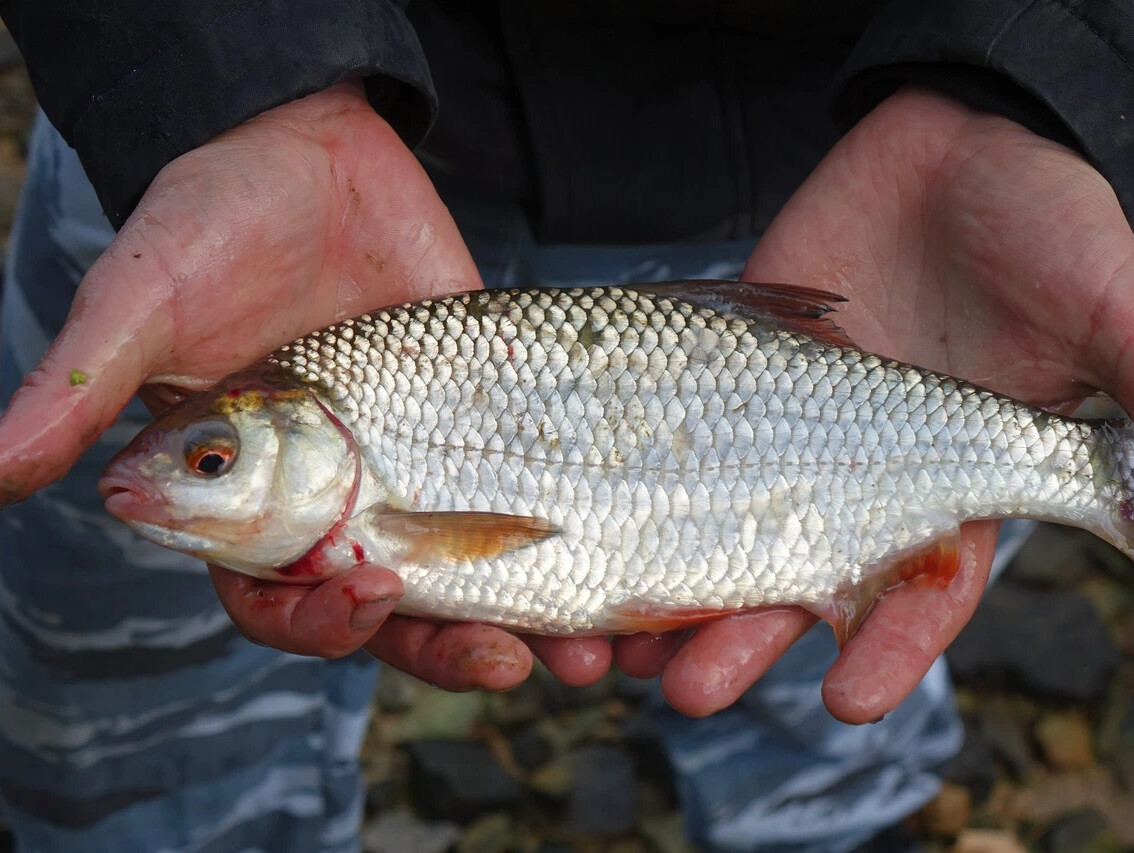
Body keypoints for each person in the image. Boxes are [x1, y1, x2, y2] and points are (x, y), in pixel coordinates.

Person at [0, 1, 1131, 850]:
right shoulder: (285, 347)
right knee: (114, 723)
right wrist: (224, 78)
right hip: (230, 143)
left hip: (858, 159)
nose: (173, 476)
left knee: (827, 709)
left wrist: (1036, 72)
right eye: (211, 457)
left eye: (210, 459)